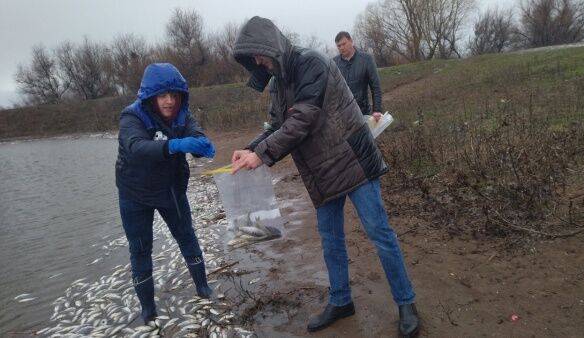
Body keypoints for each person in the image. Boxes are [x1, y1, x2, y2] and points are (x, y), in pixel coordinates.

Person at [230, 16, 420, 337]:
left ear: (271, 47)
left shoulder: (311, 64)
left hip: (353, 159)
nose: (258, 62)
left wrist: (261, 155)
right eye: (252, 60)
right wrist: (250, 148)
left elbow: (304, 117)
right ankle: (341, 300)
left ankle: (406, 302)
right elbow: (276, 126)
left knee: (379, 234)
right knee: (331, 240)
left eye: (259, 55)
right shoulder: (277, 83)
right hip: (323, 170)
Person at [115, 63, 215, 324]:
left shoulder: (183, 114)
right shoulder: (131, 117)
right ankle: (148, 309)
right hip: (134, 193)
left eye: (174, 94)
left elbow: (195, 132)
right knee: (140, 250)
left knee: (187, 237)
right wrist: (174, 144)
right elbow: (136, 148)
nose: (169, 101)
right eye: (162, 95)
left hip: (170, 188)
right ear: (151, 97)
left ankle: (203, 288)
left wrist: (200, 144)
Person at [333, 31, 383, 122]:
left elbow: (375, 87)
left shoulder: (366, 60)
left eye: (344, 44)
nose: (341, 48)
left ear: (351, 41)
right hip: (342, 116)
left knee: (365, 136)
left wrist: (377, 110)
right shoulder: (334, 63)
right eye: (338, 46)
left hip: (362, 113)